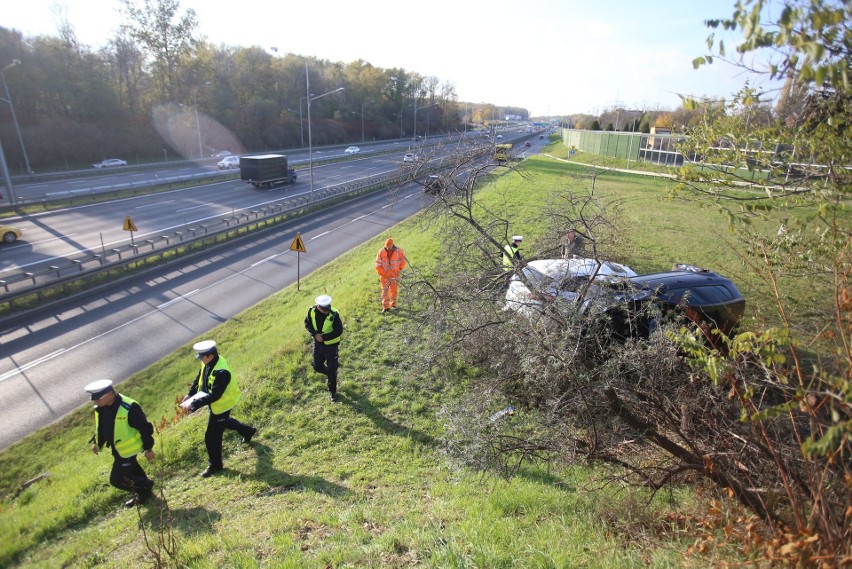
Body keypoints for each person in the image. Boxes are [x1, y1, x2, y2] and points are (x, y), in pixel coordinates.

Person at [182, 340, 257, 478]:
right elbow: (200, 377)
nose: (200, 360)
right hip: (217, 404)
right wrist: (191, 394)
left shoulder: (222, 372)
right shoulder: (209, 362)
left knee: (211, 437)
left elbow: (215, 395)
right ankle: (248, 431)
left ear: (210, 356)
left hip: (223, 403)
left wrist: (194, 405)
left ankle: (215, 466)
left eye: (202, 357)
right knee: (223, 421)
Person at [85, 379, 156, 508]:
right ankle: (145, 486)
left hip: (129, 449)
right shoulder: (100, 408)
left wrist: (148, 449)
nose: (95, 402)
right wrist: (97, 443)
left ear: (110, 393)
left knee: (116, 479)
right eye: (94, 399)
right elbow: (102, 428)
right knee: (132, 469)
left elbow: (145, 428)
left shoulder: (129, 407)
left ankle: (143, 489)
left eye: (98, 399)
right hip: (117, 448)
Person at [305, 295, 344, 401]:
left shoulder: (334, 314)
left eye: (328, 308)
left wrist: (324, 337)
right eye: (324, 309)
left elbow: (339, 330)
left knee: (332, 368)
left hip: (331, 346)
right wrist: (314, 334)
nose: (327, 311)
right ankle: (331, 374)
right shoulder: (311, 311)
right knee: (317, 367)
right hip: (318, 345)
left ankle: (333, 392)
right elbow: (307, 323)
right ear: (318, 307)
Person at [375, 238, 407, 313]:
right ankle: (385, 307)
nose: (387, 248)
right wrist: (382, 272)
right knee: (385, 291)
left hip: (394, 275)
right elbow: (377, 264)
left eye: (389, 247)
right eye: (386, 246)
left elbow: (404, 260)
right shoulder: (381, 252)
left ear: (392, 245)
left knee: (394, 291)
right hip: (384, 276)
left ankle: (393, 305)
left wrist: (400, 269)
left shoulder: (399, 251)